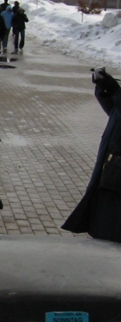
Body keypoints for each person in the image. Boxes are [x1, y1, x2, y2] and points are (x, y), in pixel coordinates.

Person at [64, 69, 121, 240]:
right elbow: (115, 111)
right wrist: (103, 90)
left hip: (117, 173)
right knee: (102, 222)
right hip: (111, 164)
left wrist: (115, 90)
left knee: (110, 228)